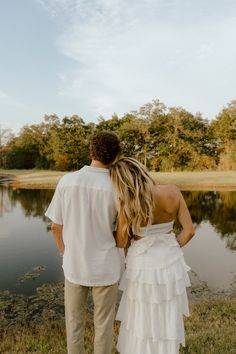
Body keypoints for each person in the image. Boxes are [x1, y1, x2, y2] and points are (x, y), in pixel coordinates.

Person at [45, 131, 124, 354]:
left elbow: (55, 226)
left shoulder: (67, 181)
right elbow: (122, 233)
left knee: (74, 323)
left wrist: (65, 253)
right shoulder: (117, 187)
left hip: (74, 265)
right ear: (115, 156)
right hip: (106, 267)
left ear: (91, 151)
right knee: (104, 326)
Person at [110, 157, 195, 354]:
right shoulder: (173, 191)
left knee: (142, 315)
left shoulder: (129, 202)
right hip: (171, 265)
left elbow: (121, 242)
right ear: (142, 170)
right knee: (167, 311)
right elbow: (189, 231)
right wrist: (171, 247)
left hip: (142, 267)